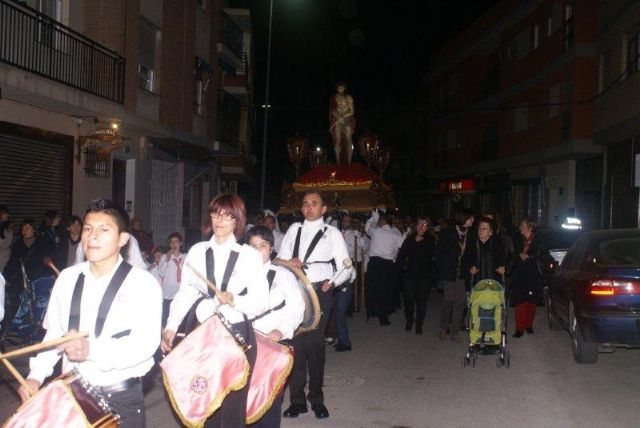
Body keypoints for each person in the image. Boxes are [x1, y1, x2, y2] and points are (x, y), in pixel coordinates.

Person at [18, 199, 162, 428]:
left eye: (103, 230)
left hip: (120, 398)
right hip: (72, 394)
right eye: (87, 228)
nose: (92, 236)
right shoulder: (66, 278)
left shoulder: (143, 284)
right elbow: (55, 334)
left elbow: (146, 345)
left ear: (123, 239)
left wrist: (91, 349)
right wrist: (35, 376)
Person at [162, 193, 268, 428]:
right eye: (215, 213)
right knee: (204, 399)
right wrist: (170, 326)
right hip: (202, 331)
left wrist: (234, 300)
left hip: (236, 334)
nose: (219, 220)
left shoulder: (250, 256)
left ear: (237, 220)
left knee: (233, 405)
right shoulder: (197, 251)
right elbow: (185, 293)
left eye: (227, 215)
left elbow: (262, 301)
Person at [278, 190, 354, 420]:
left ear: (323, 209)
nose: (309, 207)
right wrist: (289, 263)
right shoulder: (294, 230)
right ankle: (297, 401)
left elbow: (346, 267)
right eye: (305, 203)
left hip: (320, 291)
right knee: (295, 346)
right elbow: (279, 260)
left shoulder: (332, 233)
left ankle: (317, 400)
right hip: (294, 291)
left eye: (314, 203)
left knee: (314, 345)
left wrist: (333, 283)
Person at [246, 225, 304, 428]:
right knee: (241, 398)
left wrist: (282, 330)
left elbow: (297, 308)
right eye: (252, 246)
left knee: (269, 399)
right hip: (244, 343)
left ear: (271, 248)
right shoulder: (238, 276)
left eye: (262, 245)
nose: (258, 250)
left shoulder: (283, 275)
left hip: (273, 344)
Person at [2, 219, 52, 333]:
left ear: (34, 230)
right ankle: (22, 326)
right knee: (22, 303)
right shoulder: (18, 244)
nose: (25, 230)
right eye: (23, 228)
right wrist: (4, 277)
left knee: (37, 303)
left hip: (38, 278)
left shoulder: (42, 242)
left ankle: (37, 327)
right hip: (22, 279)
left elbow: (47, 259)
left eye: (28, 228)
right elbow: (12, 262)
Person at [435, 209, 474, 342]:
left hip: (463, 273)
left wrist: (471, 268)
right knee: (448, 301)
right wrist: (443, 271)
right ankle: (443, 327)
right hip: (449, 273)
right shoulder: (447, 233)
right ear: (464, 219)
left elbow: (471, 255)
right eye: (470, 218)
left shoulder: (471, 234)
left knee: (460, 303)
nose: (473, 220)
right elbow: (439, 253)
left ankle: (454, 332)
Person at [364, 209, 405, 326]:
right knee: (385, 291)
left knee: (371, 289)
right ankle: (383, 317)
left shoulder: (375, 231)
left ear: (382, 221)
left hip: (374, 264)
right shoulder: (395, 234)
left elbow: (367, 228)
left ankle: (370, 315)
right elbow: (403, 245)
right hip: (387, 265)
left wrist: (372, 218)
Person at [397, 217, 436, 335]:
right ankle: (409, 320)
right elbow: (401, 255)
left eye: (424, 225)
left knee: (421, 300)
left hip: (424, 276)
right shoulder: (409, 239)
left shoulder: (430, 240)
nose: (421, 227)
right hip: (410, 275)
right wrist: (414, 242)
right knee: (408, 300)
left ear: (428, 227)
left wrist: (420, 243)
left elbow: (431, 254)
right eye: (419, 224)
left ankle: (419, 323)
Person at [510, 217, 549, 338]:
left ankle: (528, 325)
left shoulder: (539, 238)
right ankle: (519, 328)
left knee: (531, 301)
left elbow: (541, 252)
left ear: (530, 227)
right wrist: (519, 254)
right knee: (520, 300)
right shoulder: (516, 237)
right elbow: (514, 251)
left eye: (522, 225)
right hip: (520, 272)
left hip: (533, 272)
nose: (520, 227)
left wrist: (530, 256)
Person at [333, 214, 366, 351]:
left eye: (348, 221)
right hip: (332, 271)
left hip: (346, 269)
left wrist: (360, 237)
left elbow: (364, 246)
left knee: (340, 313)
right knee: (334, 312)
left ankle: (345, 341)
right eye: (344, 220)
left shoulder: (354, 234)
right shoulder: (335, 232)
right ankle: (340, 338)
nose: (346, 223)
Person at [463, 217, 506, 288]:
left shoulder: (497, 245)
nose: (481, 231)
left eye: (484, 229)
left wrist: (503, 268)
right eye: (480, 228)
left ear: (491, 232)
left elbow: (504, 261)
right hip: (476, 284)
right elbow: (465, 261)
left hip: (494, 285)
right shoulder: (472, 244)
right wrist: (470, 268)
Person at [157, 232, 186, 328]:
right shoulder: (165, 257)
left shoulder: (186, 257)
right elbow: (161, 273)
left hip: (181, 294)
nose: (174, 244)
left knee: (180, 322)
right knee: (166, 321)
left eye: (176, 242)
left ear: (180, 243)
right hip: (168, 296)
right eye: (171, 242)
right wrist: (167, 261)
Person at [329, 82, 356, 164]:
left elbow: (352, 111)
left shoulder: (349, 97)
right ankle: (338, 161)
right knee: (337, 140)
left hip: (347, 119)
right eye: (339, 87)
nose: (341, 89)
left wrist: (343, 117)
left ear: (344, 88)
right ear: (337, 88)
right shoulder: (334, 98)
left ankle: (349, 162)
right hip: (337, 120)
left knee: (348, 139)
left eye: (342, 87)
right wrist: (338, 117)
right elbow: (333, 110)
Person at [0, 205, 13, 272]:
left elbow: (9, 242)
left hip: (4, 256)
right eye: (6, 213)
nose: (8, 215)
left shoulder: (8, 226)